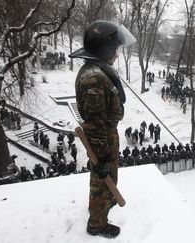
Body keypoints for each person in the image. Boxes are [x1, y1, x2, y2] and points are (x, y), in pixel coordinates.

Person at [70, 20, 136, 238]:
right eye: (115, 48)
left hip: (106, 134)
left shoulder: (97, 70)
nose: (117, 54)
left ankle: (103, 205)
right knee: (102, 181)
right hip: (102, 137)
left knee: (106, 179)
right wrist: (103, 155)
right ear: (104, 48)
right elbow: (95, 122)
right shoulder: (94, 79)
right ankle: (97, 224)